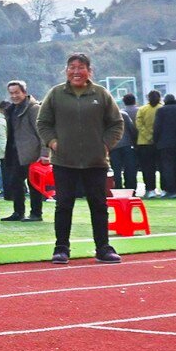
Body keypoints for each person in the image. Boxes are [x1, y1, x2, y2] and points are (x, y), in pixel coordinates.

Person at [35, 53, 125, 264]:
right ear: (66, 71)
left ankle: (103, 248)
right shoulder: (55, 94)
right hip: (63, 161)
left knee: (99, 205)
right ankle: (61, 248)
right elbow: (43, 123)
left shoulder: (101, 94)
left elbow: (116, 123)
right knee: (64, 205)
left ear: (89, 71)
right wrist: (53, 142)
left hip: (96, 161)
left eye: (81, 67)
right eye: (72, 67)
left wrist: (105, 145)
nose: (76, 71)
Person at [0, 80, 45, 222]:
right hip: (15, 152)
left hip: (32, 153)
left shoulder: (34, 108)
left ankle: (36, 213)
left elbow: (42, 132)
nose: (14, 96)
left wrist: (44, 154)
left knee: (34, 184)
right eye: (11, 93)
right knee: (15, 182)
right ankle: (18, 212)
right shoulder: (11, 109)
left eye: (17, 92)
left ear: (24, 92)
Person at [109, 94, 138, 192]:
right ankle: (131, 187)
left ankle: (117, 187)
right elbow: (132, 129)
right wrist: (135, 143)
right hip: (127, 144)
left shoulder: (105, 116)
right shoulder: (123, 114)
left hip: (113, 146)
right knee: (130, 168)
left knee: (116, 169)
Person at [134, 90, 161, 197]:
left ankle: (150, 189)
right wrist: (155, 137)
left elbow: (139, 125)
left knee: (147, 167)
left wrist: (148, 136)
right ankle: (163, 189)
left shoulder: (142, 109)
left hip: (144, 143)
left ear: (147, 98)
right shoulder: (161, 108)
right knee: (161, 167)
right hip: (159, 142)